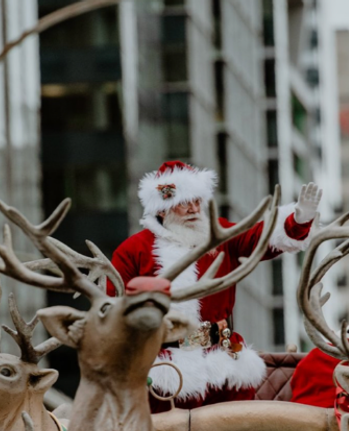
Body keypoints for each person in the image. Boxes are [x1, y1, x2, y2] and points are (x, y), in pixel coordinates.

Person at [110, 160, 321, 411]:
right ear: (162, 209)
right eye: (183, 202)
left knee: (240, 429)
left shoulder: (220, 235)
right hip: (165, 368)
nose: (193, 209)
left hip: (225, 359)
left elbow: (260, 237)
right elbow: (114, 311)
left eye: (197, 201)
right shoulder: (133, 251)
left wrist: (297, 219)